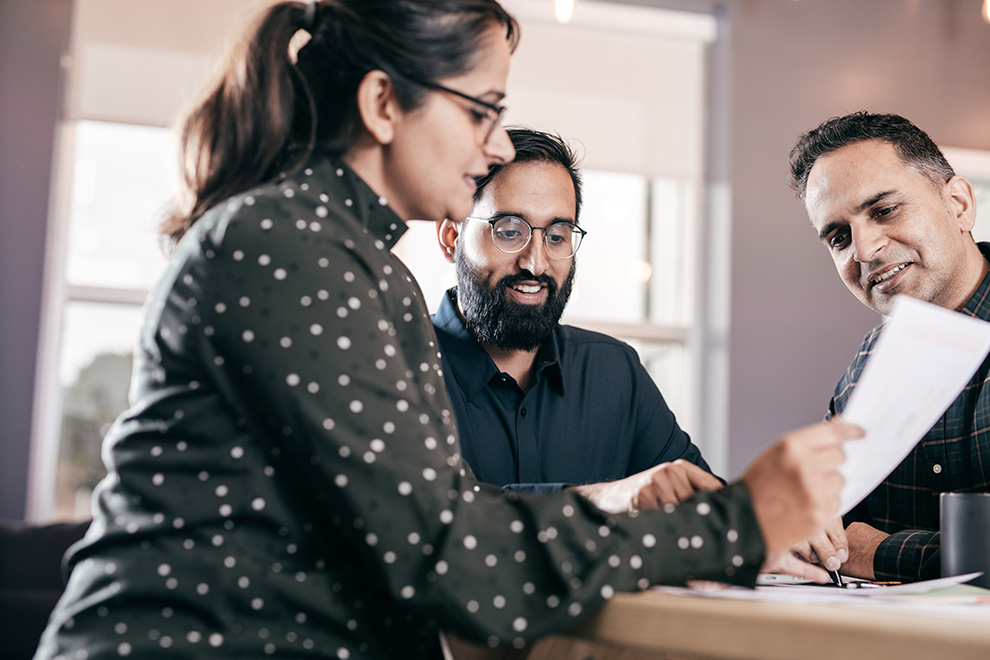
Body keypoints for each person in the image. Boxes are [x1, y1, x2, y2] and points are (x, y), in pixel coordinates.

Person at [34, 2, 857, 659]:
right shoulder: (289, 246)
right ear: (384, 103)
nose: (495, 142)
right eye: (481, 112)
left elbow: (438, 524)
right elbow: (450, 557)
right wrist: (738, 523)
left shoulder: (357, 263)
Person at [432, 127, 720, 509]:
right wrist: (599, 500)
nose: (535, 263)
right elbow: (423, 520)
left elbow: (706, 511)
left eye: (556, 235)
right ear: (452, 237)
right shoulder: (399, 369)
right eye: (509, 231)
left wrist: (771, 526)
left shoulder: (614, 371)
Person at [788, 111, 988, 583]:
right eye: (839, 236)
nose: (864, 250)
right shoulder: (863, 372)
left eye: (883, 210)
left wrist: (875, 552)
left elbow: (852, 546)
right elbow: (818, 524)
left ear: (958, 204)